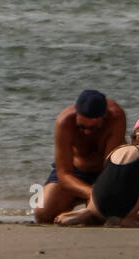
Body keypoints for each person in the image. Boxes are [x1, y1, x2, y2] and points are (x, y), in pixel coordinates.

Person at [54, 114, 139, 227]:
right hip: (119, 209)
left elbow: (112, 183)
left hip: (96, 203)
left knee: (118, 179)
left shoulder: (116, 150)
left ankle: (89, 213)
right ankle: (127, 218)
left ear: (134, 138)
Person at [32, 89, 127, 224]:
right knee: (42, 213)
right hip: (76, 173)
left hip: (104, 173)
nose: (87, 132)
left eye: (93, 128)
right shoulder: (64, 122)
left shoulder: (116, 117)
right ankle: (80, 208)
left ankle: (90, 212)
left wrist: (103, 192)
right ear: (76, 112)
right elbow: (64, 174)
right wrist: (93, 193)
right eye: (82, 127)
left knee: (105, 214)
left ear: (104, 116)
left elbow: (110, 166)